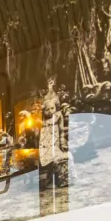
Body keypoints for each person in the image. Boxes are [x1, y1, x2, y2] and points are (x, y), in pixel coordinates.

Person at [38, 77, 71, 213]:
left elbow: (62, 129)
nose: (50, 111)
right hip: (45, 144)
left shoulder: (58, 116)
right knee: (46, 162)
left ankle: (60, 179)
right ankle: (47, 181)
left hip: (55, 141)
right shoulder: (42, 121)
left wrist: (63, 139)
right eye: (48, 109)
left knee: (57, 159)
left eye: (52, 108)